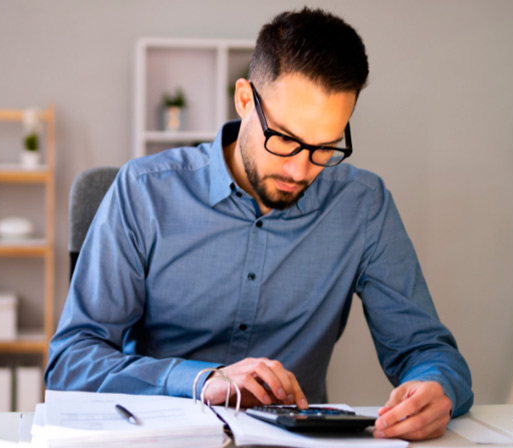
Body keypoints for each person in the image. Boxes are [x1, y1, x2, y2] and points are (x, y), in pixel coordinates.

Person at [46, 7, 472, 440]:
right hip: (159, 438)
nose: (301, 170)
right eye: (285, 139)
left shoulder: (363, 205)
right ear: (245, 99)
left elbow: (425, 349)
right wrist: (201, 380)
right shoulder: (144, 191)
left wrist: (437, 386)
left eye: (324, 148)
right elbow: (71, 363)